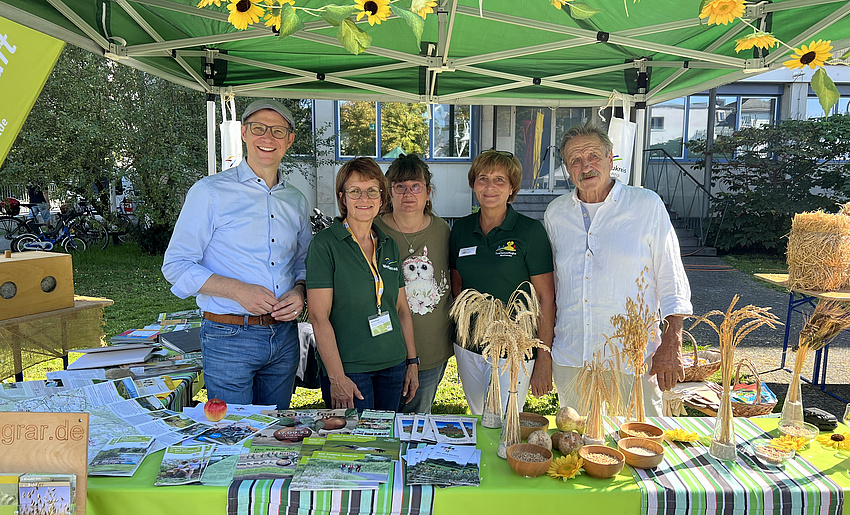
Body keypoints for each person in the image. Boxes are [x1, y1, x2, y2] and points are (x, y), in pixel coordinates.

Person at [162, 99, 311, 410]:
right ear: (244, 133)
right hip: (228, 336)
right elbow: (176, 265)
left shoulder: (296, 200)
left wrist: (299, 292)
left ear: (289, 140)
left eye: (278, 131)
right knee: (234, 432)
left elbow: (302, 263)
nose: (267, 138)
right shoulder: (210, 192)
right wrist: (237, 290)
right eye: (258, 128)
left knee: (274, 429)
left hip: (284, 335)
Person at [543, 122, 693, 416]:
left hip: (633, 357)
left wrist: (672, 341)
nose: (586, 166)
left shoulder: (645, 205)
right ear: (567, 169)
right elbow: (552, 287)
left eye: (593, 156)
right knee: (575, 438)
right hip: (573, 355)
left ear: (611, 158)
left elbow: (671, 275)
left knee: (640, 437)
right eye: (575, 160)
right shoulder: (556, 213)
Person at [306, 157, 419, 411]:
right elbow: (318, 316)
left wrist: (412, 362)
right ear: (342, 198)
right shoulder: (325, 245)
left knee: (387, 434)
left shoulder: (388, 244)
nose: (364, 198)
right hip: (349, 369)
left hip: (394, 365)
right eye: (355, 191)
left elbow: (401, 309)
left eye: (372, 191)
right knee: (355, 436)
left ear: (382, 198)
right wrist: (337, 378)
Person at [449, 150, 555, 415]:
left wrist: (544, 357)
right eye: (483, 178)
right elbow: (457, 285)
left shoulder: (530, 231)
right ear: (474, 184)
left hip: (514, 347)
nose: (490, 187)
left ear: (512, 188)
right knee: (478, 417)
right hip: (469, 345)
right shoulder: (461, 229)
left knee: (505, 422)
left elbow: (545, 298)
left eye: (499, 180)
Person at [374, 154, 452, 413]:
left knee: (416, 423)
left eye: (415, 186)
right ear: (389, 193)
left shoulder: (443, 231)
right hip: (383, 348)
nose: (408, 193)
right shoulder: (373, 230)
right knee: (379, 423)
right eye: (400, 186)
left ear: (428, 192)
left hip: (431, 348)